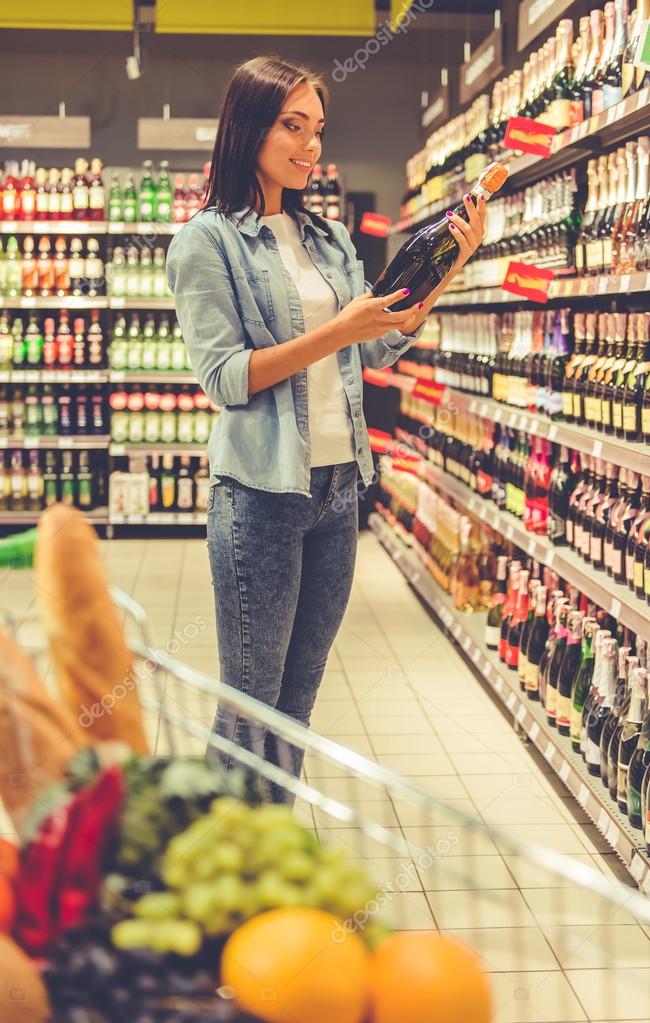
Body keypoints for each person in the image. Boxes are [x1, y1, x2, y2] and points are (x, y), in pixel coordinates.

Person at [167, 55, 486, 796]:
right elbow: (226, 377)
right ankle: (223, 871)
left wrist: (443, 271)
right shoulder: (206, 242)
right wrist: (337, 328)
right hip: (260, 497)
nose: (310, 146)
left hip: (338, 492)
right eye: (292, 126)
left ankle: (271, 860)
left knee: (297, 705)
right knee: (253, 711)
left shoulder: (327, 239)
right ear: (248, 128)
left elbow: (373, 343)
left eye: (318, 129)